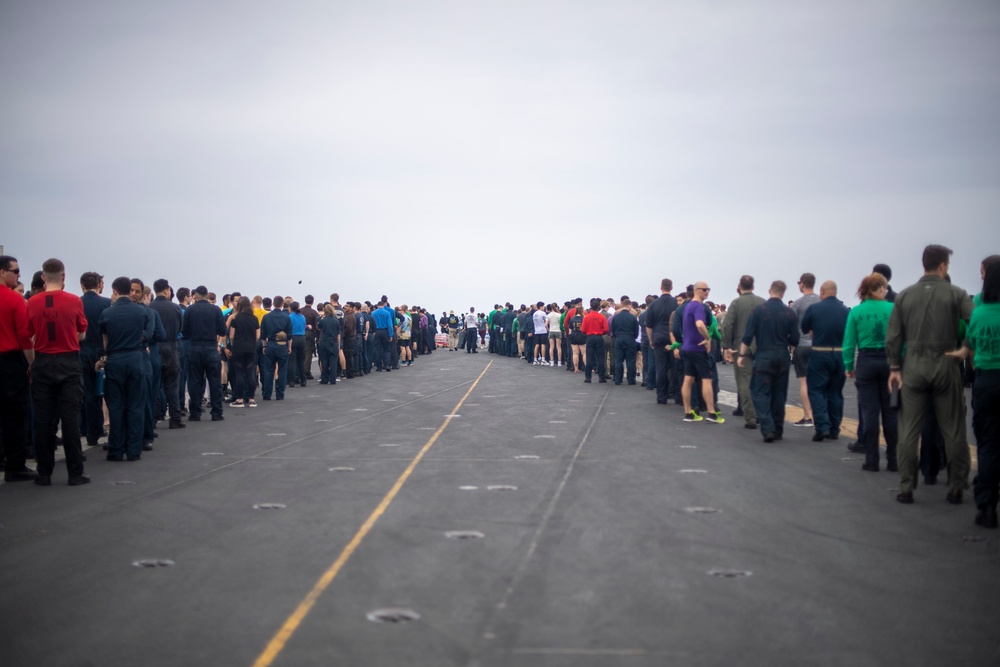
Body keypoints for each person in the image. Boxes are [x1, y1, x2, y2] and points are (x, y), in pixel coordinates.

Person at [887, 244, 974, 505]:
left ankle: (906, 487)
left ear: (923, 263)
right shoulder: (957, 293)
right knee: (953, 429)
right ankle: (957, 486)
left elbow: (893, 336)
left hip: (913, 364)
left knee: (909, 429)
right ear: (943, 265)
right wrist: (966, 348)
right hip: (946, 362)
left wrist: (894, 368)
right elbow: (977, 322)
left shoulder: (904, 296)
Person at [26, 258, 89, 485]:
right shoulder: (73, 301)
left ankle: (44, 473)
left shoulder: (31, 303)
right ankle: (75, 473)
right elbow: (81, 333)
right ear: (63, 277)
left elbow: (28, 335)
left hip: (43, 361)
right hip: (68, 362)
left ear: (43, 278)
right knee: (70, 419)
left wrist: (32, 363)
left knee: (43, 421)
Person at [948, 262, 1000, 527]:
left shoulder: (979, 314)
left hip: (987, 381)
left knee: (988, 444)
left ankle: (987, 506)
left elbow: (968, 348)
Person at [843, 273, 896, 472]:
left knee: (869, 413)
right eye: (885, 288)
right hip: (890, 361)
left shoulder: (856, 312)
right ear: (880, 288)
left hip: (866, 361)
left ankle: (872, 459)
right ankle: (893, 459)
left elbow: (849, 343)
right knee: (891, 412)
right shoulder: (893, 309)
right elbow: (904, 339)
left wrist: (849, 366)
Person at [99, 276, 154, 461]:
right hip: (135, 357)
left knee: (116, 405)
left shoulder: (107, 313)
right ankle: (133, 450)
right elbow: (144, 332)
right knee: (136, 405)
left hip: (115, 359)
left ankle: (115, 448)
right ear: (129, 289)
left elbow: (105, 341)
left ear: (115, 291)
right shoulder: (141, 312)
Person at [738, 281, 800, 442]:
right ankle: (778, 429)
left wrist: (741, 355)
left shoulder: (759, 310)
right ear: (783, 293)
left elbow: (748, 335)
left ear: (769, 291)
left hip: (764, 356)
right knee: (779, 394)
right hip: (782, 356)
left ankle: (767, 427)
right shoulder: (790, 313)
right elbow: (795, 339)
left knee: (759, 391)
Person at [800, 281, 849, 442]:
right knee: (835, 392)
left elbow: (805, 327)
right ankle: (834, 428)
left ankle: (822, 427)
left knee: (817, 390)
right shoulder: (845, 310)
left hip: (820, 353)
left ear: (822, 291)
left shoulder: (815, 309)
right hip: (840, 354)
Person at [723, 275, 766, 428]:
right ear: (753, 286)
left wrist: (726, 346)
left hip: (741, 346)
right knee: (761, 382)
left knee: (744, 381)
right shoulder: (762, 302)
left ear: (740, 286)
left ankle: (750, 416)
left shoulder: (736, 303)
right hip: (761, 346)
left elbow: (727, 325)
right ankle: (762, 413)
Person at [680, 283, 723, 423]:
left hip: (687, 348)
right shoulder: (698, 306)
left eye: (708, 289)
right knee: (706, 379)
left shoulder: (687, 306)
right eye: (704, 290)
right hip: (697, 348)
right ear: (696, 290)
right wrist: (707, 338)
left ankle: (688, 413)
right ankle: (711, 413)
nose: (707, 292)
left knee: (688, 379)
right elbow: (699, 324)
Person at [182, 285, 227, 420]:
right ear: (207, 295)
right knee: (214, 381)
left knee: (195, 381)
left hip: (195, 347)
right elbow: (222, 331)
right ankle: (217, 412)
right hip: (211, 348)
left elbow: (185, 332)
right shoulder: (215, 310)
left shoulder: (190, 310)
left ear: (195, 295)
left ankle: (195, 413)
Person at [79, 272, 111, 447]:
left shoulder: (78, 302)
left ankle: (91, 432)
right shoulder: (106, 303)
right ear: (99, 284)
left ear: (82, 285)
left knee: (89, 393)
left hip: (82, 350)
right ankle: (99, 427)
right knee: (106, 391)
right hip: (102, 350)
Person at [150, 279, 184, 429]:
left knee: (154, 386)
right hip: (171, 347)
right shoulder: (175, 308)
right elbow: (180, 328)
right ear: (166, 290)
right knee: (172, 384)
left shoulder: (149, 307)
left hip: (154, 348)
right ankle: (175, 418)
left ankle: (153, 419)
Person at [790, 273, 820, 427]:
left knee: (804, 382)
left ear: (802, 284)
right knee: (820, 382)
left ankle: (807, 416)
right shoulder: (821, 300)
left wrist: (792, 346)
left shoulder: (798, 303)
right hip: (819, 346)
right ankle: (820, 416)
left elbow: (792, 326)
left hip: (802, 345)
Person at [644, 279, 677, 404]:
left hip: (658, 336)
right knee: (674, 367)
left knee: (661, 367)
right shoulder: (676, 302)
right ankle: (676, 394)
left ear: (660, 287)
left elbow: (649, 325)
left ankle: (661, 396)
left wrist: (651, 339)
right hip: (673, 336)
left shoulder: (653, 304)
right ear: (671, 287)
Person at [228, 296, 259, 407]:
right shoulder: (254, 318)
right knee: (250, 373)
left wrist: (232, 344)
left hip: (238, 348)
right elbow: (257, 336)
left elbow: (231, 336)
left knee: (239, 373)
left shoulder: (236, 318)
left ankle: (239, 399)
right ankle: (251, 399)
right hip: (251, 348)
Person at [260, 295, 293, 396]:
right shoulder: (286, 317)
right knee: (282, 369)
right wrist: (289, 347)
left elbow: (263, 334)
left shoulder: (266, 317)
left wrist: (264, 346)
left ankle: (267, 393)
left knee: (269, 370)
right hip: (282, 345)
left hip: (270, 344)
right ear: (282, 304)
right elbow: (289, 335)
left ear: (273, 304)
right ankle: (280, 393)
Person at [611, 298, 639, 385]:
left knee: (618, 360)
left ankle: (618, 379)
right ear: (629, 305)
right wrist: (633, 337)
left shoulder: (616, 317)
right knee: (630, 360)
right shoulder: (633, 317)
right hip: (630, 339)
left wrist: (617, 336)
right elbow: (636, 331)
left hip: (618, 339)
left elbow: (612, 330)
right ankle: (631, 379)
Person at [582, 298, 609, 383]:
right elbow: (606, 329)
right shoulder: (602, 317)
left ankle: (588, 377)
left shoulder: (586, 317)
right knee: (600, 358)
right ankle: (601, 377)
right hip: (599, 337)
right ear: (598, 307)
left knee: (589, 357)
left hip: (590, 337)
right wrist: (601, 332)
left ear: (590, 307)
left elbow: (583, 329)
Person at [317, 304, 342, 384]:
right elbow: (338, 334)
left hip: (324, 341)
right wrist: (338, 345)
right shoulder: (336, 321)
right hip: (333, 341)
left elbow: (318, 327)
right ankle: (332, 379)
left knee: (324, 360)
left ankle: (324, 378)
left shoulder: (323, 320)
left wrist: (322, 318)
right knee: (333, 361)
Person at [287, 301, 307, 387]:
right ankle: (303, 380)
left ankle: (292, 381)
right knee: (301, 361)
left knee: (292, 361)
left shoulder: (290, 317)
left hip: (293, 338)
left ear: (291, 308)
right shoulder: (302, 317)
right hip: (302, 338)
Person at [300, 295, 319, 380]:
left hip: (300, 333)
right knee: (308, 353)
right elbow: (316, 326)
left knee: (300, 353)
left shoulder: (300, 311)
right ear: (312, 301)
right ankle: (306, 371)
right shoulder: (314, 312)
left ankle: (299, 372)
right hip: (310, 334)